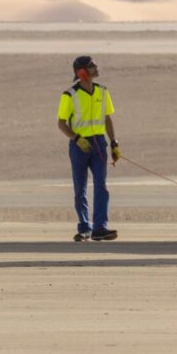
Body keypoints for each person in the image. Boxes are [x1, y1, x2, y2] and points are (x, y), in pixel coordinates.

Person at [56, 55, 121, 242]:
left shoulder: (102, 91)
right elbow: (61, 123)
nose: (96, 67)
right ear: (82, 72)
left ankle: (100, 227)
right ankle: (84, 227)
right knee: (80, 188)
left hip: (99, 144)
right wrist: (76, 138)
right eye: (92, 66)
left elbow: (107, 118)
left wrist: (114, 143)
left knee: (101, 185)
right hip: (79, 146)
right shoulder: (69, 95)